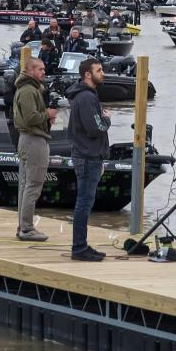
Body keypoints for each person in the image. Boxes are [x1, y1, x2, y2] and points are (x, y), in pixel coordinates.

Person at [66, 57, 111, 262]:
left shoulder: (87, 96)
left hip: (88, 155)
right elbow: (95, 128)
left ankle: (82, 244)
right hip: (87, 156)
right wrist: (107, 118)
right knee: (84, 203)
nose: (103, 73)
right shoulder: (86, 98)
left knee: (85, 202)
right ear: (87, 74)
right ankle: (79, 247)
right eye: (99, 70)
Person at [12, 57, 56, 242]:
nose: (43, 72)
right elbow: (30, 118)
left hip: (29, 139)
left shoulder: (29, 89)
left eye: (44, 69)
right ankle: (27, 229)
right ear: (30, 71)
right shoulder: (29, 90)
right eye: (40, 69)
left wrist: (46, 119)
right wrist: (48, 114)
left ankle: (23, 226)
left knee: (26, 185)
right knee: (33, 186)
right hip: (33, 141)